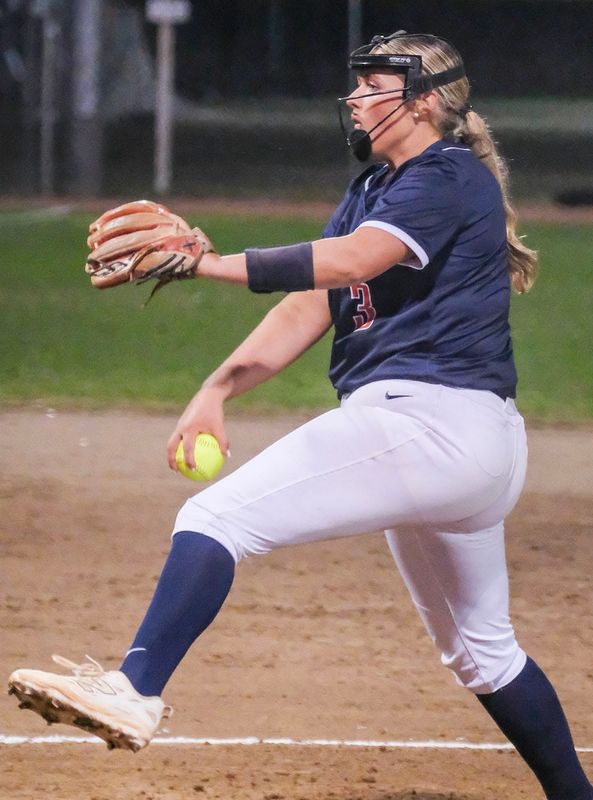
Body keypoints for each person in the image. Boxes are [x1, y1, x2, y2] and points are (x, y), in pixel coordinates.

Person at [9, 30, 592, 800]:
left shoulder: (447, 177)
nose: (353, 98)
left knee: (215, 519)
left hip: (428, 425)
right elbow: (314, 299)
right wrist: (216, 389)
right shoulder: (374, 190)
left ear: (420, 102)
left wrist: (207, 263)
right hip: (463, 443)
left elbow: (354, 262)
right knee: (481, 653)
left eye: (371, 86)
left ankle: (135, 689)